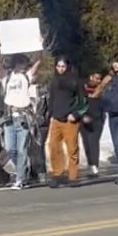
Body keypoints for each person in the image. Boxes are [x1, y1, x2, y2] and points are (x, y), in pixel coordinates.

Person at [0, 46, 41, 191]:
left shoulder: (26, 76)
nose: (23, 66)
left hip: (23, 117)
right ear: (15, 63)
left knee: (22, 149)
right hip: (9, 117)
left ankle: (20, 178)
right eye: (21, 63)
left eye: (24, 64)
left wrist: (39, 46)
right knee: (10, 149)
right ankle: (23, 170)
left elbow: (38, 62)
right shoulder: (7, 77)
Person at [46, 56, 83, 188]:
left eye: (63, 66)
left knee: (72, 148)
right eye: (58, 66)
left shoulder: (75, 81)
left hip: (70, 119)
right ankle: (57, 174)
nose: (61, 69)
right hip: (56, 118)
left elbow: (83, 101)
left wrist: (76, 114)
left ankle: (72, 176)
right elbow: (52, 99)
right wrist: (50, 114)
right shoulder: (54, 81)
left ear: (67, 66)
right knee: (53, 146)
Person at [97, 55, 118, 183]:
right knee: (116, 144)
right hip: (112, 114)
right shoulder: (109, 78)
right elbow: (99, 89)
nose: (115, 64)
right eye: (114, 62)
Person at [80, 71, 105, 178]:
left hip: (97, 119)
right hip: (83, 118)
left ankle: (95, 166)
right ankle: (90, 164)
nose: (98, 81)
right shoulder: (82, 87)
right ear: (91, 77)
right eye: (96, 78)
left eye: (100, 79)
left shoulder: (101, 89)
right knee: (86, 143)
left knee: (93, 142)